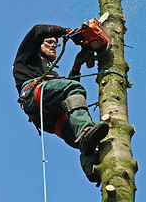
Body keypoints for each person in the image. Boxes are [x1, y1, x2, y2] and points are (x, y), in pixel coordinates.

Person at [13, 24, 109, 183]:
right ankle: (85, 131)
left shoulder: (52, 74)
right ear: (38, 44)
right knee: (84, 124)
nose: (53, 45)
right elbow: (38, 29)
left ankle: (92, 167)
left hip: (50, 117)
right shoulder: (27, 57)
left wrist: (77, 65)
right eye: (49, 42)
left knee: (88, 135)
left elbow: (67, 91)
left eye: (56, 44)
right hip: (34, 96)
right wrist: (69, 32)